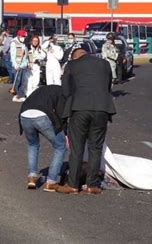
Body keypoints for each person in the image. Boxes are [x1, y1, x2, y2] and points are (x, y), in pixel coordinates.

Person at [57, 47, 116, 195]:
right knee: (96, 148)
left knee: (77, 148)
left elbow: (65, 90)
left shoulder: (71, 65)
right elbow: (108, 85)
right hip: (102, 108)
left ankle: (73, 185)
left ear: (75, 57)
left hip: (80, 108)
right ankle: (92, 185)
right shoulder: (104, 64)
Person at [19, 85, 67, 192]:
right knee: (60, 146)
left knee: (32, 144)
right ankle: (51, 181)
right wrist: (65, 132)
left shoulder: (43, 89)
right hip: (41, 116)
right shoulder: (62, 92)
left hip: (24, 114)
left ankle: (32, 177)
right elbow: (60, 114)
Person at [10, 29, 28, 102]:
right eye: (22, 36)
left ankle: (20, 95)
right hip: (17, 66)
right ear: (18, 35)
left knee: (22, 81)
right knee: (17, 81)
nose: (23, 37)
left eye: (24, 36)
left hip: (23, 65)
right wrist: (15, 65)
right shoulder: (14, 43)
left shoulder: (23, 43)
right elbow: (12, 55)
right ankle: (17, 96)